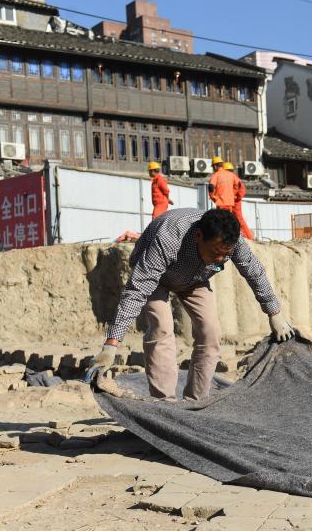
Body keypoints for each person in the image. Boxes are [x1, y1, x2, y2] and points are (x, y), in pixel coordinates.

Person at [90, 208, 295, 400]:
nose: (221, 259)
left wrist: (274, 312)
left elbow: (254, 272)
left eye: (226, 255)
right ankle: (165, 405)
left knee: (211, 331)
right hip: (156, 277)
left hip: (194, 278)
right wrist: (111, 345)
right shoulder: (168, 239)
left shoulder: (232, 241)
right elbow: (136, 292)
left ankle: (194, 401)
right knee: (161, 328)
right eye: (216, 252)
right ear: (198, 236)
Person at [222, 162, 254, 240]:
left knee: (238, 219)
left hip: (235, 201)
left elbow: (242, 190)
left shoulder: (234, 178)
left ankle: (248, 236)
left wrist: (236, 198)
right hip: (230, 201)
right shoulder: (229, 179)